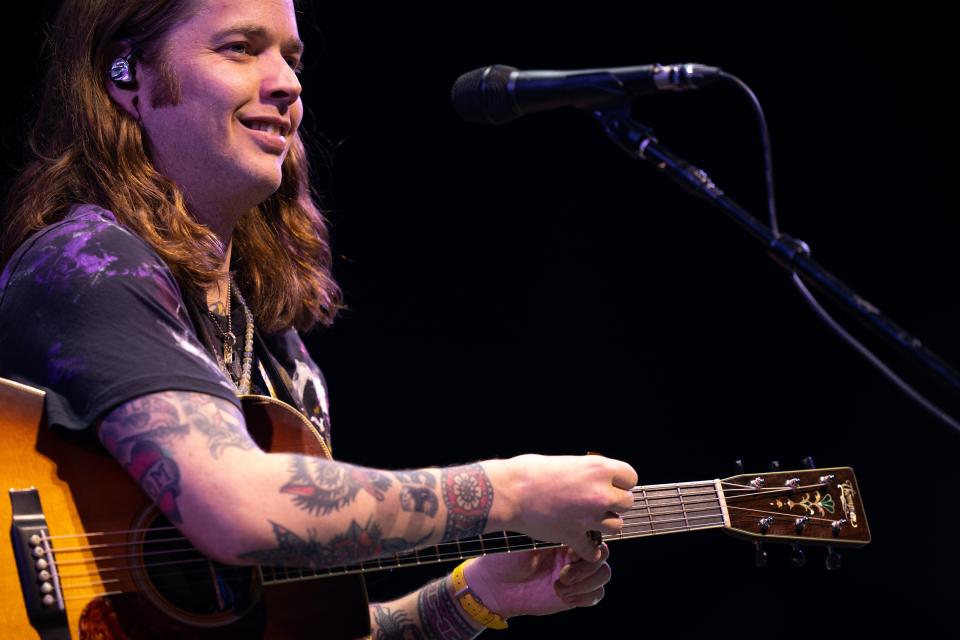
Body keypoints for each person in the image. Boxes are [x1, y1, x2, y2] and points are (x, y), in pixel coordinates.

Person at [0, 0, 638, 637]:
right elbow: (236, 506)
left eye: (291, 56)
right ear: (126, 76)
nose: (287, 82)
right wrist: (511, 492)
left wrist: (475, 597)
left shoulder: (279, 355)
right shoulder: (89, 263)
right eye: (240, 48)